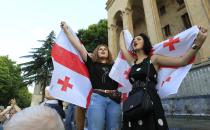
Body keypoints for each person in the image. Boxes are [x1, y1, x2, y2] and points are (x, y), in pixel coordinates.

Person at [119, 26, 208, 130]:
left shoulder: (154, 59)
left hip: (149, 97)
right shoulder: (132, 61)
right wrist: (122, 32)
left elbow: (182, 61)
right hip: (133, 99)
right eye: (134, 40)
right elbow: (123, 48)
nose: (135, 40)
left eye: (139, 39)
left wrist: (198, 43)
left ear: (145, 43)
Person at [61, 21, 122, 130]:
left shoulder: (115, 66)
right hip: (97, 98)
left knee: (115, 128)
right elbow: (79, 47)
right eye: (100, 49)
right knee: (95, 127)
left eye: (105, 49)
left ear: (109, 53)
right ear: (96, 52)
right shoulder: (91, 63)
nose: (103, 50)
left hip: (114, 100)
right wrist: (67, 30)